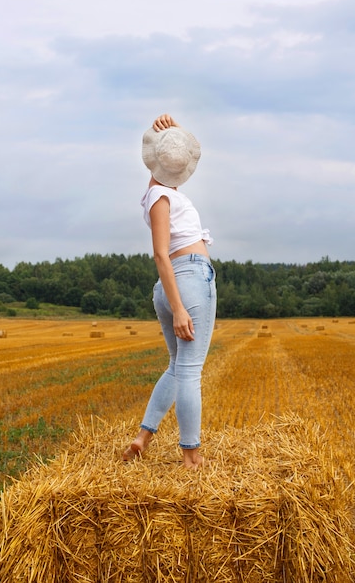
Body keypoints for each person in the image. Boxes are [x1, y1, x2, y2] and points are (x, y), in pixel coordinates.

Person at [123, 113, 217, 469]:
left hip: (171, 285)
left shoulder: (156, 192)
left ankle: (143, 437)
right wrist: (179, 308)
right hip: (186, 282)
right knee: (191, 371)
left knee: (177, 367)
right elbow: (160, 253)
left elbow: (167, 165)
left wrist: (170, 134)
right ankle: (191, 456)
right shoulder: (162, 198)